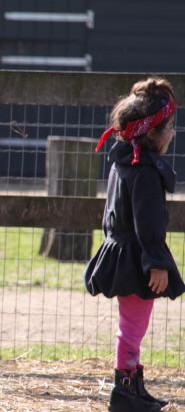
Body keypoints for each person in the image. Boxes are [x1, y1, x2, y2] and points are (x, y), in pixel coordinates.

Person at [86, 77, 185, 412]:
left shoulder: (123, 160)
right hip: (137, 260)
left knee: (132, 326)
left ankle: (133, 386)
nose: (173, 133)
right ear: (151, 132)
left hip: (123, 255)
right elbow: (148, 223)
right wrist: (156, 262)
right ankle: (125, 391)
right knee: (132, 328)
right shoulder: (143, 170)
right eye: (170, 127)